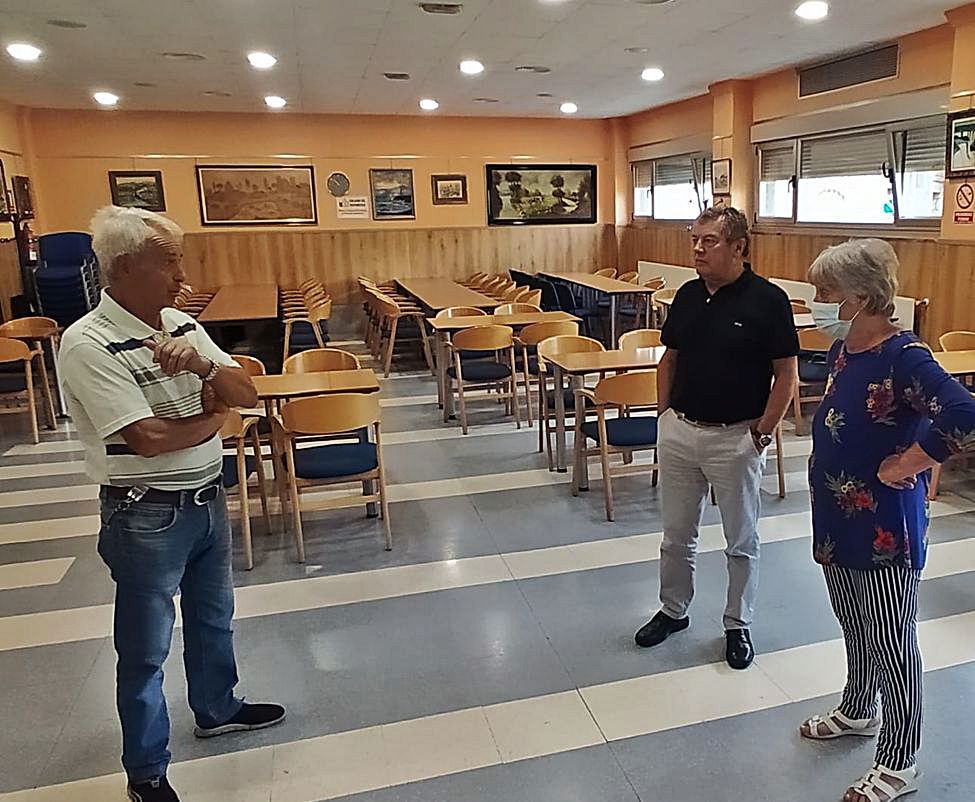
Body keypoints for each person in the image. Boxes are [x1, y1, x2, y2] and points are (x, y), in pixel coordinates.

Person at [58, 206, 286, 802]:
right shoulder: (87, 343)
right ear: (127, 267)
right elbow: (147, 438)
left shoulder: (181, 323)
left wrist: (207, 366)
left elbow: (247, 391)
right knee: (144, 648)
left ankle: (217, 706)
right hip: (145, 513)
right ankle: (147, 772)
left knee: (214, 619)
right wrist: (217, 420)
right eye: (171, 260)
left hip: (207, 499)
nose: (183, 272)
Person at [799, 239, 975, 802]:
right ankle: (858, 708)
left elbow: (965, 412)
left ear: (860, 296)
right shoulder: (846, 349)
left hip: (883, 528)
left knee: (893, 643)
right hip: (837, 516)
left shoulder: (905, 356)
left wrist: (913, 460)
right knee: (856, 625)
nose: (818, 302)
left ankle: (900, 763)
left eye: (827, 292)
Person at [634, 206, 799, 669]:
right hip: (681, 432)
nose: (698, 249)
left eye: (709, 241)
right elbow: (670, 360)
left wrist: (763, 432)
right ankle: (673, 610)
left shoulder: (768, 300)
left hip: (736, 440)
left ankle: (737, 623)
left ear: (739, 247)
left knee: (741, 539)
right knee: (676, 535)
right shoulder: (687, 295)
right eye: (695, 240)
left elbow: (786, 374)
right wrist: (664, 415)